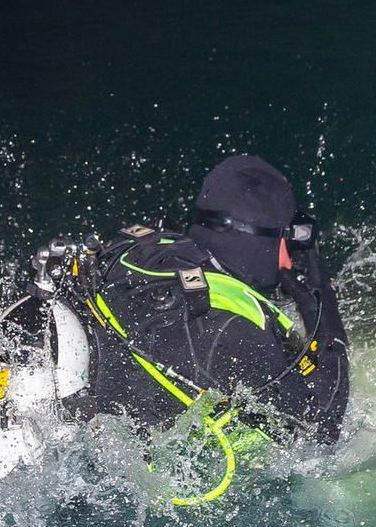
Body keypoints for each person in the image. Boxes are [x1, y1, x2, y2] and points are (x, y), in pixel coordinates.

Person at [48, 154, 351, 445]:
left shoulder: (146, 252)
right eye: (289, 240)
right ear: (268, 242)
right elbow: (320, 435)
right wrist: (319, 298)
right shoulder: (235, 331)